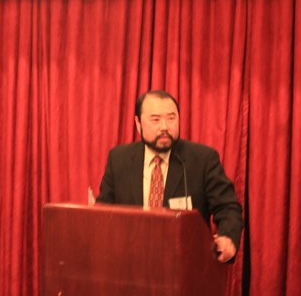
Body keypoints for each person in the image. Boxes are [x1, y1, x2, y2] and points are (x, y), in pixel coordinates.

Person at [96, 90, 243, 263]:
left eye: (171, 118)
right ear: (138, 123)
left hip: (184, 263)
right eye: (155, 120)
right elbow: (103, 211)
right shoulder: (119, 159)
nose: (164, 127)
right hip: (130, 262)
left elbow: (227, 207)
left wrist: (228, 237)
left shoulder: (202, 159)